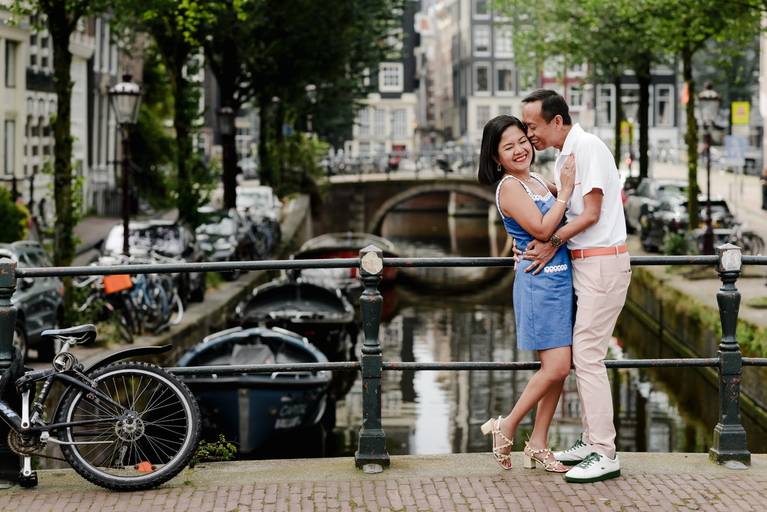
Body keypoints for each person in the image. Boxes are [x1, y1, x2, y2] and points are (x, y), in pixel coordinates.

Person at [521, 89, 630, 483]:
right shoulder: (566, 155)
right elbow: (578, 206)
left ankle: (605, 451)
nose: (529, 133)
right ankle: (590, 440)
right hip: (586, 266)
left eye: (532, 126)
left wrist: (551, 241)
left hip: (602, 263)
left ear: (556, 122)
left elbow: (594, 213)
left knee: (586, 355)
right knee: (584, 355)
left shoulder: (587, 147)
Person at [477, 115, 576, 473]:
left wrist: (563, 189)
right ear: (496, 158)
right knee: (557, 366)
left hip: (561, 279)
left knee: (560, 371)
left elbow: (561, 218)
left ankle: (538, 443)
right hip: (539, 283)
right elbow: (541, 227)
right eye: (509, 146)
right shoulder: (509, 188)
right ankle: (507, 426)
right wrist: (563, 191)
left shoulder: (534, 179)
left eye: (523, 140)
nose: (520, 149)